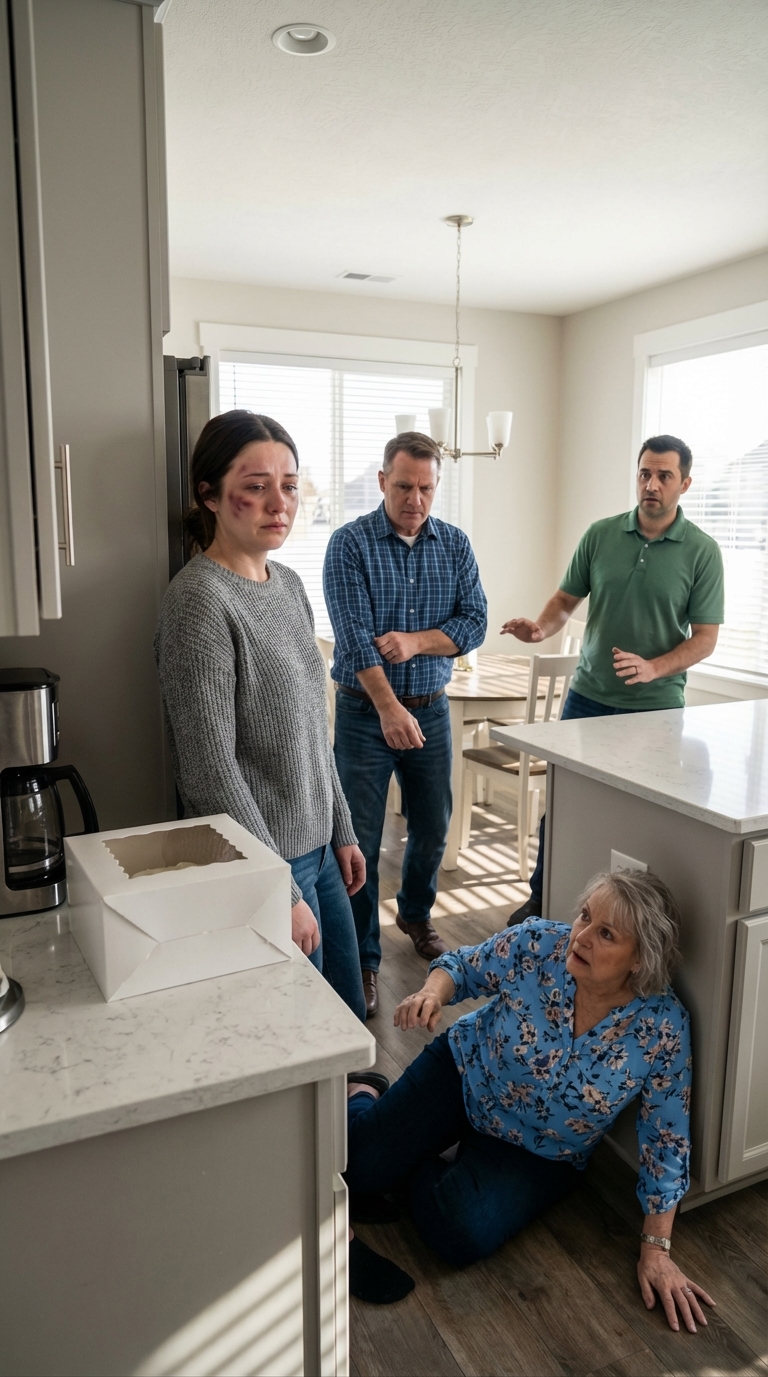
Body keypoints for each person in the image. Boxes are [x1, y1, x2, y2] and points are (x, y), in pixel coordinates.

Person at [346, 869, 716, 1334]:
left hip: (540, 1147)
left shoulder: (663, 1027)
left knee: (460, 1234)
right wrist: (429, 993)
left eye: (606, 934)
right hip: (465, 1074)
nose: (581, 936)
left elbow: (666, 1139)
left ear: (640, 959)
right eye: (585, 916)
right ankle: (364, 1092)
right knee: (357, 1165)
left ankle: (407, 1157)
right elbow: (462, 967)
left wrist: (655, 1250)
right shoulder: (539, 943)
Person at [155, 409, 366, 1022]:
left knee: (345, 1027)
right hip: (268, 862)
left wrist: (343, 828)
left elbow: (310, 728)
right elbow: (210, 774)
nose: (280, 502)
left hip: (320, 850)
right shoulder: (199, 602)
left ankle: (359, 1116)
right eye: (256, 486)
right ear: (210, 496)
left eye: (291, 485)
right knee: (300, 1038)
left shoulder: (290, 585)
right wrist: (279, 888)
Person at [503, 434, 724, 921]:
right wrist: (541, 629)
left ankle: (627, 920)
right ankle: (544, 897)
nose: (652, 484)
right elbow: (565, 602)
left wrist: (654, 668)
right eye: (645, 473)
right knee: (561, 808)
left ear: (684, 484)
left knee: (642, 821)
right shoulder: (601, 535)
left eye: (665, 476)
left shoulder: (702, 552)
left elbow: (705, 637)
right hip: (586, 700)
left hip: (657, 711)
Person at [323, 431, 487, 1017]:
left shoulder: (455, 545)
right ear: (382, 482)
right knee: (358, 844)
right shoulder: (349, 544)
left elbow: (475, 623)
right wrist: (389, 708)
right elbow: (353, 635)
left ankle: (416, 915)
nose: (415, 498)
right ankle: (365, 959)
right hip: (367, 714)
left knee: (434, 827)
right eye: (403, 486)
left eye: (425, 487)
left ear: (436, 486)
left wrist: (417, 642)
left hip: (433, 711)